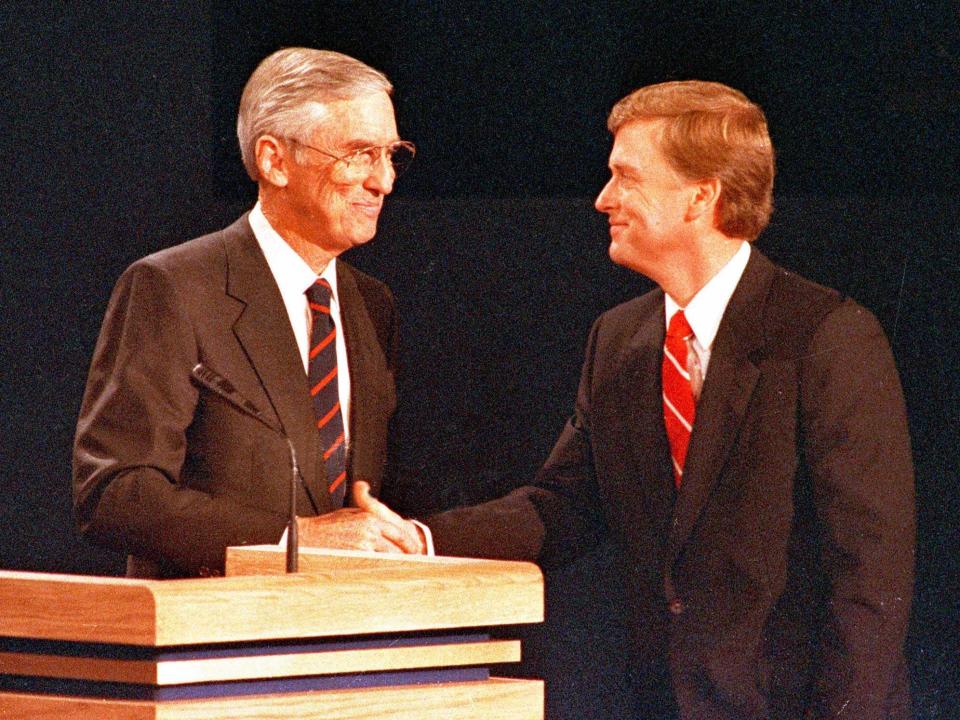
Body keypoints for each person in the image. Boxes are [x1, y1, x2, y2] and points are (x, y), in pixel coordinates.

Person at [423, 81, 915, 719]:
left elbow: (870, 579)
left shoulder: (826, 336)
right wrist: (419, 539)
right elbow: (562, 505)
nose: (604, 200)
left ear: (701, 195)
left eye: (626, 177)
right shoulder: (619, 338)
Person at [73, 47, 424, 579]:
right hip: (215, 643)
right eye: (358, 154)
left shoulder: (371, 305)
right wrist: (289, 540)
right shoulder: (174, 287)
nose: (384, 181)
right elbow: (114, 493)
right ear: (274, 161)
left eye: (390, 154)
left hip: (347, 636)